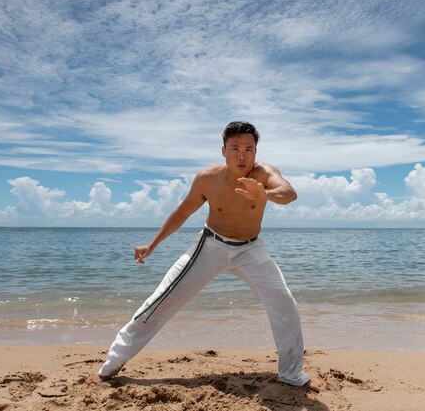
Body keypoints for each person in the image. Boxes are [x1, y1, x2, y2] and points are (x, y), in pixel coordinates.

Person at [90, 121, 324, 392]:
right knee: (160, 301)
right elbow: (182, 213)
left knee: (284, 302)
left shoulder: (265, 174)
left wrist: (265, 194)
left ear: (256, 153)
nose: (242, 155)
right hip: (210, 245)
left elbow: (289, 194)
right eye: (235, 148)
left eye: (249, 149)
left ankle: (292, 373)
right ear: (223, 150)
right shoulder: (207, 178)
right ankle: (109, 367)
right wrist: (152, 245)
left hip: (250, 249)